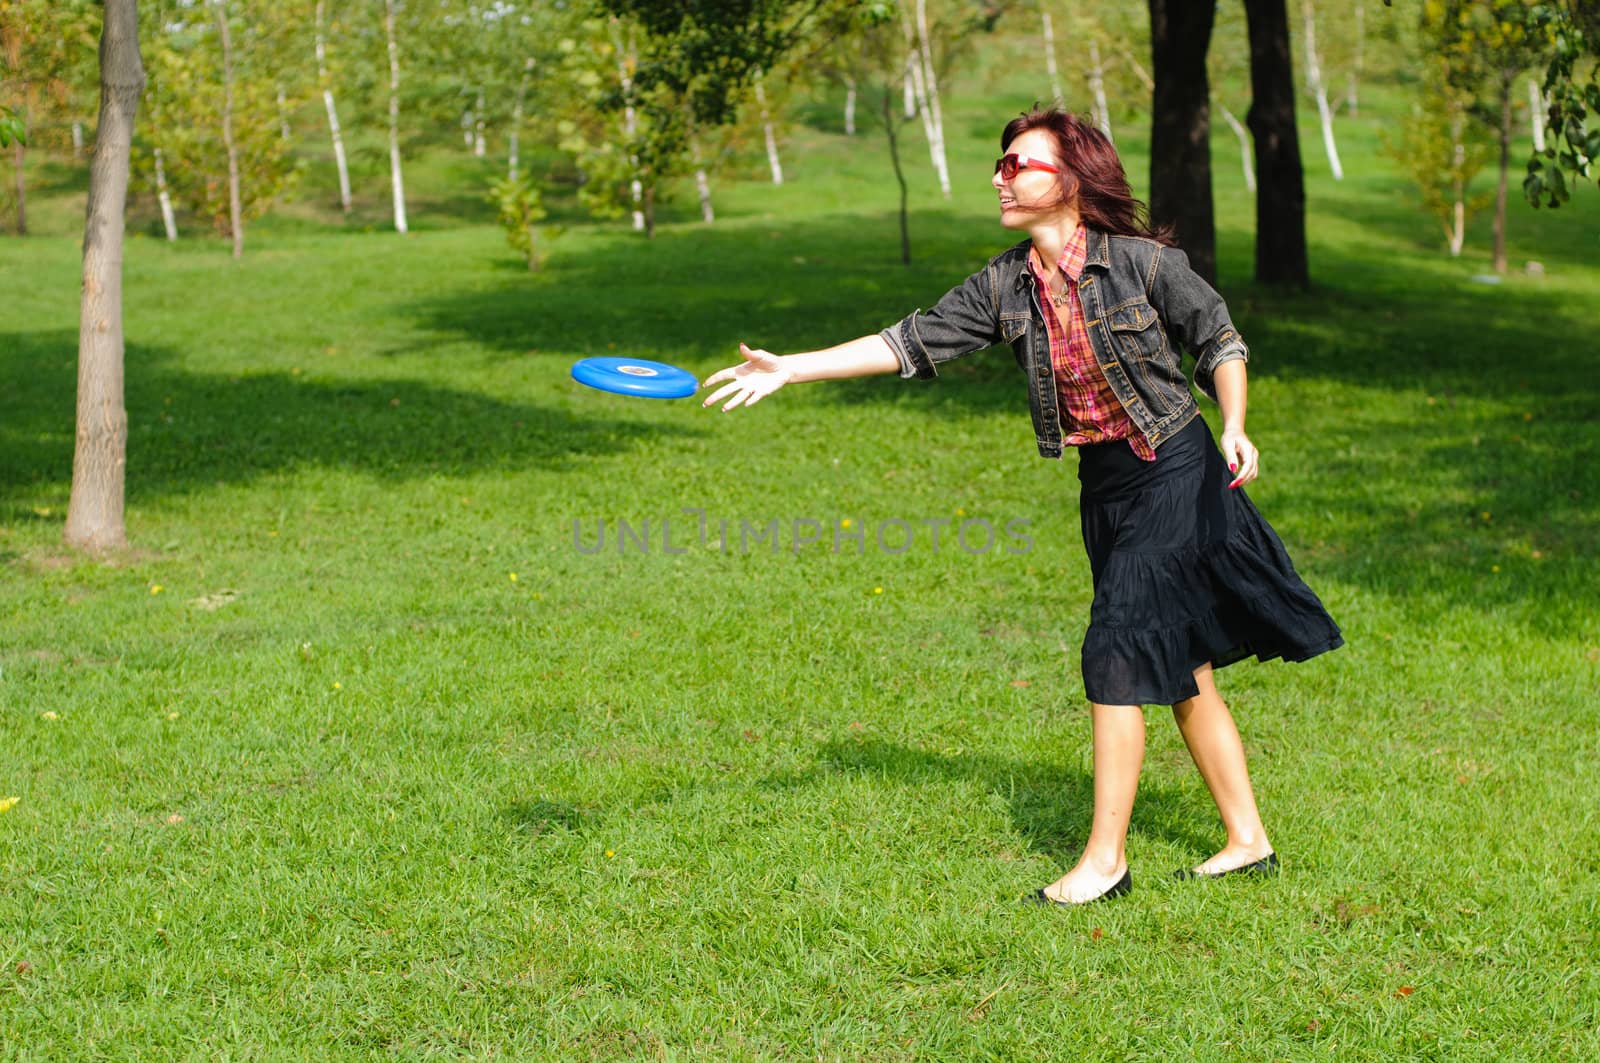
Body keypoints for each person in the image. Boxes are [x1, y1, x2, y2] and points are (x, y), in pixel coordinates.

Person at [699, 109, 1343, 906]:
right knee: (1180, 667)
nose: (1001, 176)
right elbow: (910, 340)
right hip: (1105, 486)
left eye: (1018, 164)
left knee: (1117, 645)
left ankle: (1105, 861)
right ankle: (1248, 839)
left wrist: (1237, 425)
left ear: (1071, 179)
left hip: (1177, 466)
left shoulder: (1143, 264)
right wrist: (790, 368)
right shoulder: (1006, 284)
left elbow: (1220, 339)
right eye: (1000, 165)